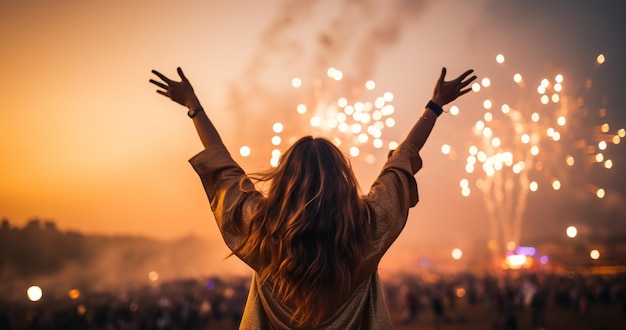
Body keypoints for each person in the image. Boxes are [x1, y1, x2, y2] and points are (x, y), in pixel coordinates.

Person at [150, 66, 476, 329]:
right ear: (343, 180)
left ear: (284, 181)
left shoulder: (262, 231)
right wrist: (434, 107)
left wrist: (194, 106)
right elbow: (401, 162)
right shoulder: (366, 230)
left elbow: (223, 168)